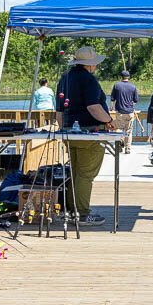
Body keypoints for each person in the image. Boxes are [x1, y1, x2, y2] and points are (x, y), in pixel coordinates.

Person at [62, 46, 113, 225]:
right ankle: (82, 214)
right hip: (90, 133)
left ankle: (71, 211)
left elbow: (59, 109)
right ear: (90, 64)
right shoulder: (89, 79)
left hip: (69, 132)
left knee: (75, 173)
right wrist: (109, 120)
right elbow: (93, 107)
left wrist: (62, 129)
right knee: (85, 175)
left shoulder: (65, 78)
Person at [110, 70, 139, 153]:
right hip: (130, 112)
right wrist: (130, 104)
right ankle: (128, 148)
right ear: (128, 77)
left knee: (118, 128)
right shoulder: (133, 86)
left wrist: (111, 107)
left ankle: (119, 145)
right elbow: (136, 100)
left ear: (121, 77)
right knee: (128, 131)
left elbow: (112, 98)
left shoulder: (117, 85)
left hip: (120, 112)